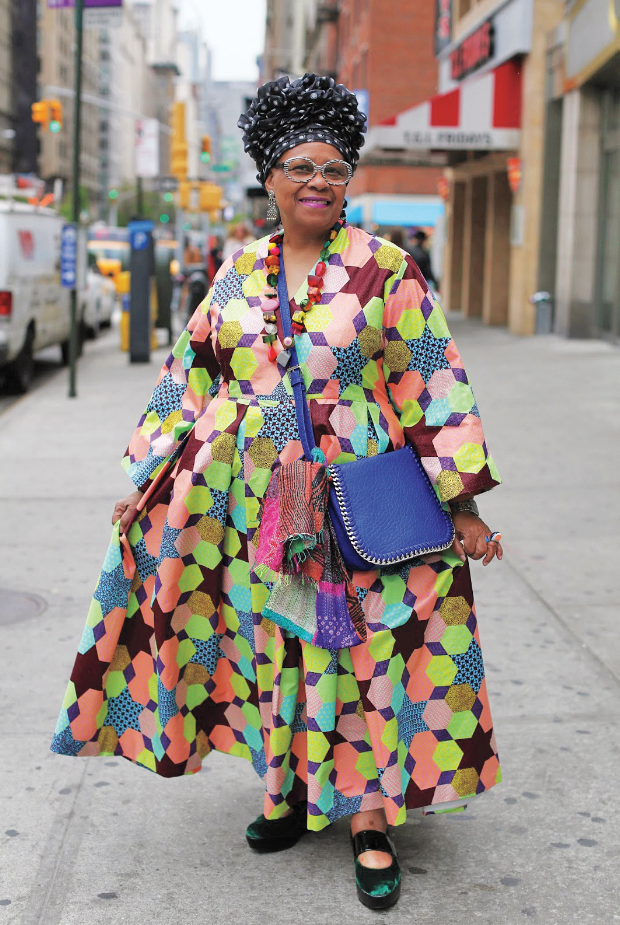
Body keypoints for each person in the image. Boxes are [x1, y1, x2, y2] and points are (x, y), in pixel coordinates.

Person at [51, 73, 503, 912]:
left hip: (356, 494)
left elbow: (433, 382)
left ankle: (369, 819)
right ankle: (288, 790)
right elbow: (190, 381)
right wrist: (147, 482)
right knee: (276, 644)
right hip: (257, 503)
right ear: (269, 174)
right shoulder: (236, 273)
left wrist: (463, 500)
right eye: (301, 165)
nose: (318, 182)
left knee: (361, 650)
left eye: (334, 168)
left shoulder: (385, 269)